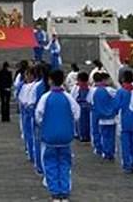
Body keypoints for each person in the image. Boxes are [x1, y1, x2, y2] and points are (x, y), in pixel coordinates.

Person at [36, 69, 80, 202]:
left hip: (49, 137)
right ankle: (64, 191)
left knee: (50, 164)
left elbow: (38, 116)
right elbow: (77, 114)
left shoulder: (45, 97)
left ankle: (55, 193)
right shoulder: (68, 97)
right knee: (65, 164)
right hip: (65, 137)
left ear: (50, 80)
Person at [115, 69, 133, 173]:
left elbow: (116, 106)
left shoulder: (121, 92)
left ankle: (127, 165)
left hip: (124, 121)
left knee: (125, 145)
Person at [91, 71, 118, 161]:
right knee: (111, 137)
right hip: (111, 117)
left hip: (101, 118)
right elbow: (117, 97)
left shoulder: (94, 91)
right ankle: (111, 152)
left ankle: (105, 152)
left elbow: (90, 101)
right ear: (104, 80)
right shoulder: (110, 90)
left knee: (104, 136)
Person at [71, 71, 92, 142]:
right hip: (82, 106)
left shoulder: (78, 87)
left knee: (83, 122)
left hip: (83, 106)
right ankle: (84, 135)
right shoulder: (87, 87)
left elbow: (72, 97)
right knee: (83, 122)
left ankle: (84, 135)